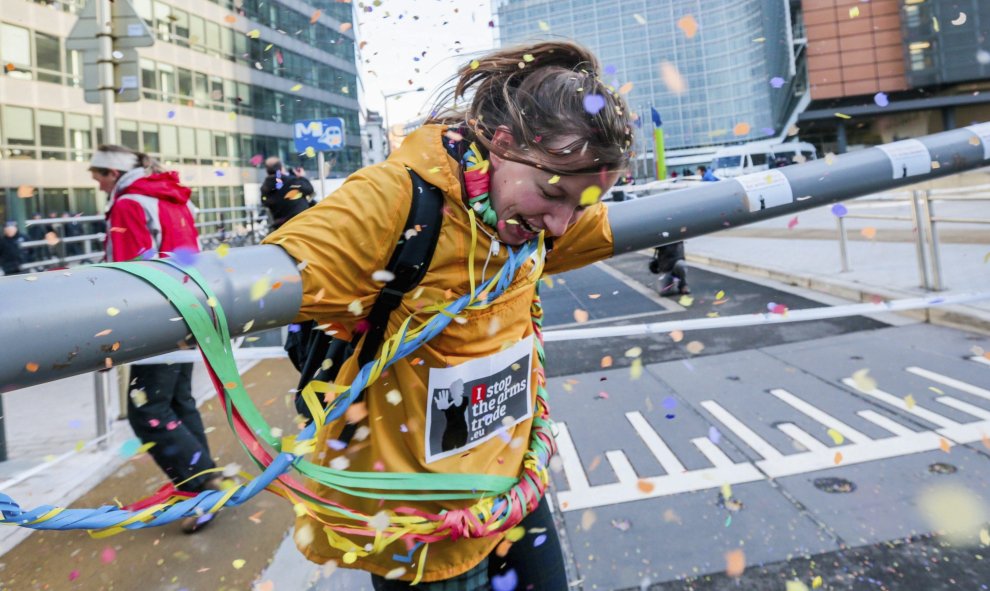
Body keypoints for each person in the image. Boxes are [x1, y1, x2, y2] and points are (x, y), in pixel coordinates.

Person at [262, 41, 632, 589]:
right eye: (552, 195)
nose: (560, 225)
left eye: (580, 204)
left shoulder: (534, 216)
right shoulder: (393, 201)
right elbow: (254, 285)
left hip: (510, 499)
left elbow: (614, 222)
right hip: (422, 533)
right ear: (502, 144)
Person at [90, 144, 228, 534]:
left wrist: (118, 332)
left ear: (113, 174)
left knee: (147, 410)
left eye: (99, 176)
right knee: (177, 402)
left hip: (156, 319)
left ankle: (202, 485)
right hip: (190, 309)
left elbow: (129, 272)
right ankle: (203, 480)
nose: (98, 184)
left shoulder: (130, 204)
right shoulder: (172, 199)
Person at [260, 157, 315, 231]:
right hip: (300, 223)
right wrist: (301, 177)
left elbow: (265, 202)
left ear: (267, 171)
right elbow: (309, 189)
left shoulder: (265, 188)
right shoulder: (291, 181)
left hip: (281, 227)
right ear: (281, 169)